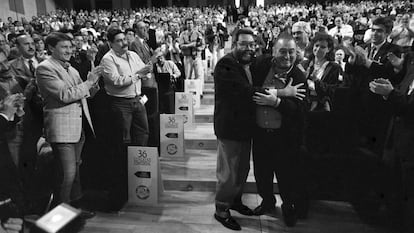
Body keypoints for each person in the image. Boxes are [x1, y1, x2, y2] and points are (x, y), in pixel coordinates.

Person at [36, 32, 102, 218]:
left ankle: (75, 209)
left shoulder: (71, 69)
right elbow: (66, 95)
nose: (69, 50)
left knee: (75, 171)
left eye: (70, 47)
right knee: (67, 174)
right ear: (50, 48)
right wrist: (88, 82)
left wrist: (93, 83)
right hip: (62, 128)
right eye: (64, 47)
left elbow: (83, 93)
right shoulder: (45, 68)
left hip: (78, 126)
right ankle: (60, 216)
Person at [250, 33, 308, 227]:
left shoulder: (298, 75)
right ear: (274, 52)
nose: (287, 56)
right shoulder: (261, 66)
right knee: (262, 173)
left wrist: (277, 102)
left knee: (286, 175)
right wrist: (280, 93)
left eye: (292, 51)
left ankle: (288, 206)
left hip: (285, 137)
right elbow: (249, 88)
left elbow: (300, 110)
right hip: (260, 134)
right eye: (282, 51)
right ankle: (267, 202)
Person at [99, 28, 151, 210]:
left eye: (124, 39)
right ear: (111, 43)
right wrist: (138, 74)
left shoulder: (133, 55)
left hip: (137, 100)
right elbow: (116, 81)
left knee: (143, 134)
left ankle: (141, 170)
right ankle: (127, 177)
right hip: (121, 103)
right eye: (119, 40)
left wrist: (146, 71)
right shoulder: (107, 59)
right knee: (124, 140)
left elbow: (144, 70)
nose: (124, 43)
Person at [213, 28, 256, 231]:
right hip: (229, 128)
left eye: (251, 44)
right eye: (244, 44)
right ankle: (221, 209)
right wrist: (280, 92)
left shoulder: (247, 64)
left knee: (242, 170)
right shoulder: (226, 64)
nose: (248, 48)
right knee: (228, 173)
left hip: (245, 127)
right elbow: (244, 92)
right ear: (234, 44)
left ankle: (235, 201)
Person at [305, 33, 341, 112]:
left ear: (328, 49)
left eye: (323, 47)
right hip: (305, 104)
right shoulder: (305, 64)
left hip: (321, 107)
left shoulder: (334, 67)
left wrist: (316, 81)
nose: (318, 49)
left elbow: (331, 91)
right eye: (316, 45)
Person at [153, 49, 181, 114]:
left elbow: (178, 73)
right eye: (158, 59)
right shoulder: (156, 66)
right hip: (161, 87)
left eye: (161, 58)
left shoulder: (170, 63)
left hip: (170, 86)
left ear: (164, 58)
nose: (160, 60)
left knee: (170, 106)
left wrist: (173, 76)